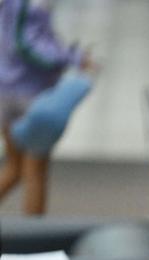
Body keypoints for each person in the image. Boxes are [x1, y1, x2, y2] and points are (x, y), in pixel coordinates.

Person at [0, 0, 89, 214]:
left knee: (17, 168)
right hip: (27, 94)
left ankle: (32, 234)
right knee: (35, 170)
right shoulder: (26, 4)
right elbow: (26, 44)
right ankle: (34, 239)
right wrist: (70, 57)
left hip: (10, 89)